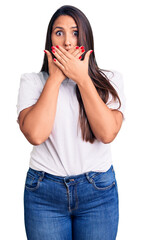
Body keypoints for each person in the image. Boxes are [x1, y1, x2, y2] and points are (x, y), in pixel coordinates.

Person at [16, 5, 126, 240]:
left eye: (75, 32)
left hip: (98, 193)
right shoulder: (32, 82)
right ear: (50, 40)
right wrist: (55, 79)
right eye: (59, 33)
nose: (67, 42)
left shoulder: (111, 80)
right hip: (44, 194)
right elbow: (36, 134)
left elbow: (107, 133)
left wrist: (82, 79)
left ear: (86, 37)